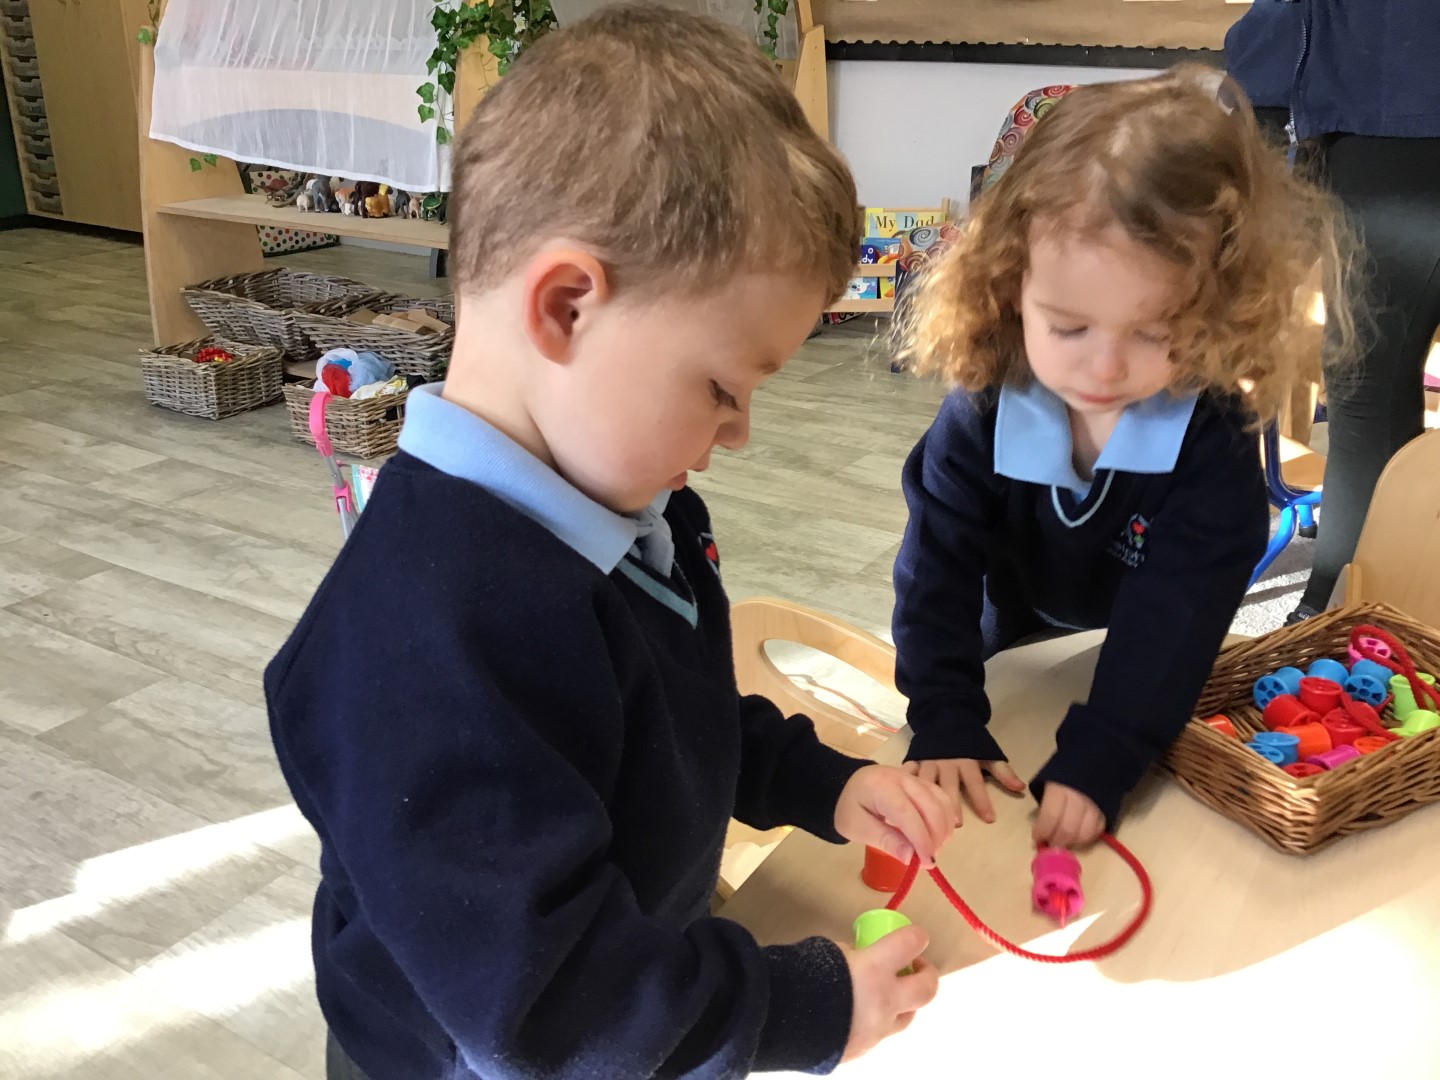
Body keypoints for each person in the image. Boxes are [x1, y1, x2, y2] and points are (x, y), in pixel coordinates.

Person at [265, 7, 957, 1079]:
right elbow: (548, 1010)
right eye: (723, 387)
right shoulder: (428, 645)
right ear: (568, 305)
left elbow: (657, 728)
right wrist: (801, 1007)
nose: (739, 431)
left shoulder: (618, 507)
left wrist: (819, 786)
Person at [890, 69, 1360, 849]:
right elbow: (935, 567)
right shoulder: (982, 407)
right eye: (1069, 328)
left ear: (1215, 306)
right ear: (1011, 286)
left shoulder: (1211, 440)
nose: (1104, 371)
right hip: (1007, 626)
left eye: (1152, 332)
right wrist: (942, 711)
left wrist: (1107, 748)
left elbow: (1174, 615)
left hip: (1138, 640)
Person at [1226, 0, 1440, 623]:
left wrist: (1254, 95)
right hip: (1392, 104)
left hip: (1397, 112)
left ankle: (1336, 609)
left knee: (1367, 386)